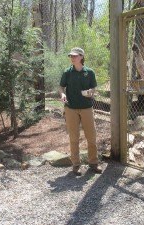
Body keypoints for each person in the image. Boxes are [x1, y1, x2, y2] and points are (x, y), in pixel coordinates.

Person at [59, 47, 102, 175]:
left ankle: (93, 163)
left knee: (91, 137)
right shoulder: (67, 72)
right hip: (71, 109)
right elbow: (61, 87)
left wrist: (90, 93)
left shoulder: (89, 72)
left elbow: (94, 88)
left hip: (87, 108)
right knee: (74, 137)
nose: (72, 58)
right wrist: (62, 95)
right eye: (71, 56)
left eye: (75, 56)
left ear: (81, 57)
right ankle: (76, 164)